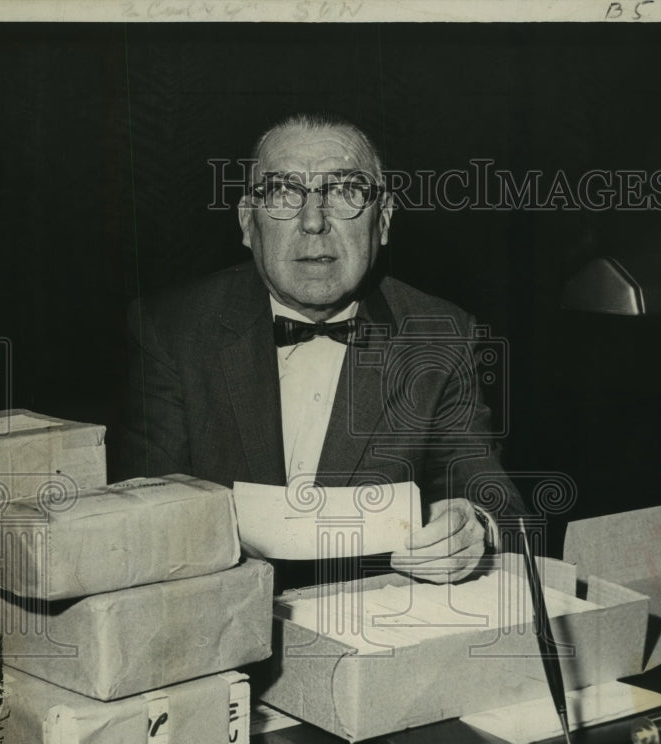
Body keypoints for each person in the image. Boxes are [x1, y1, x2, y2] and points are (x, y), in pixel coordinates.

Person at [120, 112, 526, 589]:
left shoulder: (441, 335)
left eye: (346, 192)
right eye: (283, 192)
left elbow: (498, 503)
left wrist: (472, 531)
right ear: (248, 222)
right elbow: (136, 515)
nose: (313, 221)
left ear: (384, 220)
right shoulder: (171, 329)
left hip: (377, 628)